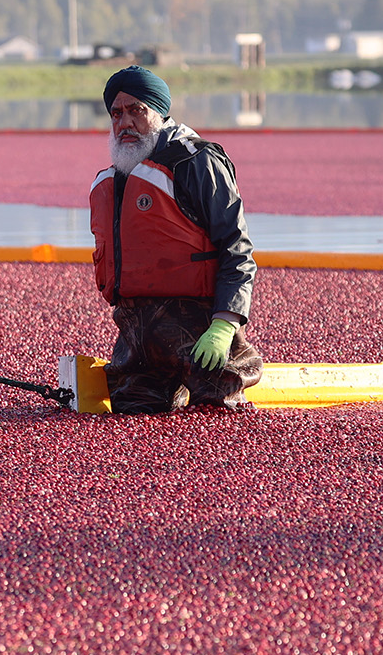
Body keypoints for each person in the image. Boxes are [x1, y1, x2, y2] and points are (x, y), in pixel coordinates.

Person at [90, 66, 264, 413]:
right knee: (129, 419)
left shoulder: (198, 161)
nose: (125, 122)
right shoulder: (117, 177)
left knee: (218, 416)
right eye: (117, 113)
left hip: (200, 333)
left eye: (137, 110)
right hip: (137, 340)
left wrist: (224, 324)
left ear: (159, 112)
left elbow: (237, 250)